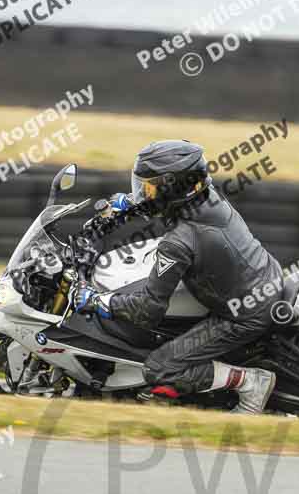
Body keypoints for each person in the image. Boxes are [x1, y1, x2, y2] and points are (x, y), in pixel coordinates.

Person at [74, 140, 284, 414]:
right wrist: (130, 203)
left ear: (172, 189)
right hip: (261, 279)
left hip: (243, 315)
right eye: (142, 186)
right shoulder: (206, 198)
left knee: (160, 369)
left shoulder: (179, 242)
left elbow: (148, 310)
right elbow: (163, 204)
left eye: (149, 187)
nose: (143, 192)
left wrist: (99, 300)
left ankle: (250, 382)